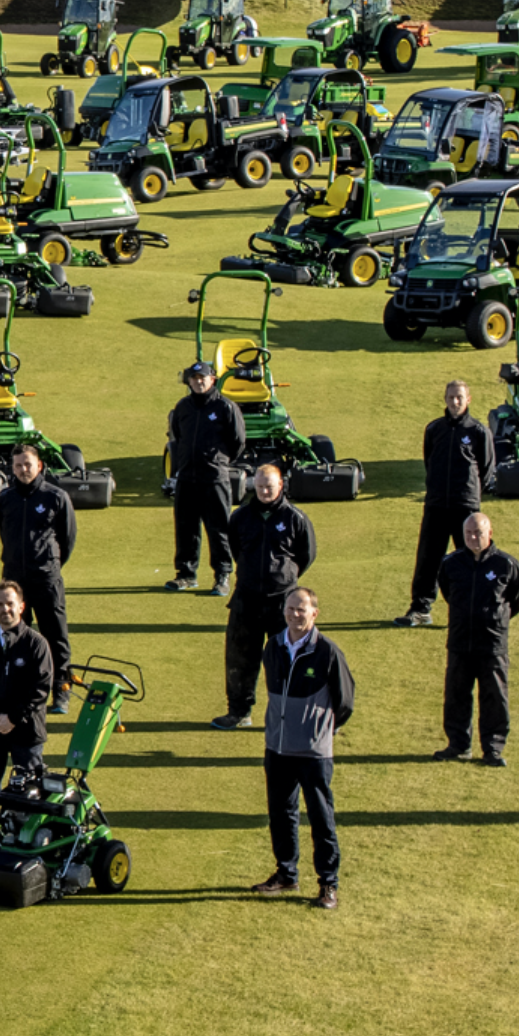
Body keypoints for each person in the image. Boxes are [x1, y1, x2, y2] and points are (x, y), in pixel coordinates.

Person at [254, 586, 351, 910]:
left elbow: (345, 701)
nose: (295, 614)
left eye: (301, 609)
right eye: (291, 608)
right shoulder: (274, 647)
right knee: (281, 815)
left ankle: (329, 884)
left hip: (313, 753)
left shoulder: (327, 652)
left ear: (314, 614)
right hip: (278, 748)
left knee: (321, 818)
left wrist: (321, 731)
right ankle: (286, 874)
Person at [218, 464, 317, 730]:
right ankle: (239, 712)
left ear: (280, 486)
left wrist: (282, 577)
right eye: (259, 487)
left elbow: (305, 555)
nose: (263, 491)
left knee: (285, 661)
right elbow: (235, 549)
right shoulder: (241, 518)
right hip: (246, 600)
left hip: (282, 604)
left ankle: (286, 714)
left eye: (269, 487)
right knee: (239, 659)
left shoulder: (296, 518)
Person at [430, 511, 519, 764]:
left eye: (478, 533)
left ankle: (493, 748)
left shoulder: (506, 565)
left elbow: (517, 600)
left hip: (492, 644)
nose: (473, 538)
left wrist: (494, 620)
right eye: (468, 534)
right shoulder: (450, 563)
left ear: (490, 533)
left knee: (494, 697)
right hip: (460, 642)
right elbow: (448, 592)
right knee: (456, 695)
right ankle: (458, 745)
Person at [397, 380, 492, 627]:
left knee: (470, 559)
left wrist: (468, 493)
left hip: (466, 507)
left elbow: (486, 470)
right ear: (445, 399)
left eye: (459, 397)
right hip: (437, 504)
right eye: (451, 397)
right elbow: (430, 462)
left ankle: (471, 610)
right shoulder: (434, 429)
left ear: (468, 399)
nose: (455, 402)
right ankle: (420, 610)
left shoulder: (479, 432)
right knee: (428, 559)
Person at [0, 444, 75, 710]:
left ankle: (61, 689)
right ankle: (21, 689)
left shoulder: (56, 497)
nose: (23, 470)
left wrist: (50, 564)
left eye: (27, 464)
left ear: (39, 465)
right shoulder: (5, 499)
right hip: (15, 583)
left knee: (55, 635)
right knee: (17, 636)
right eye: (17, 465)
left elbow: (67, 539)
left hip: (46, 580)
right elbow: (3, 534)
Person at [165, 361, 243, 595]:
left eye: (204, 378)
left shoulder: (225, 407)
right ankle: (186, 575)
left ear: (213, 380)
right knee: (186, 527)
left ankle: (222, 576)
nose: (199, 382)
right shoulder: (183, 407)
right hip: (187, 477)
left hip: (214, 478)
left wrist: (218, 461)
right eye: (195, 378)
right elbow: (177, 436)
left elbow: (237, 441)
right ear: (189, 381)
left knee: (218, 528)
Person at [0, 581, 55, 791]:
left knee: (29, 794)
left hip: (26, 731)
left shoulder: (36, 644)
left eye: (10, 603)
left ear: (21, 607)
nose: (4, 609)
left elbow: (40, 688)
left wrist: (13, 718)